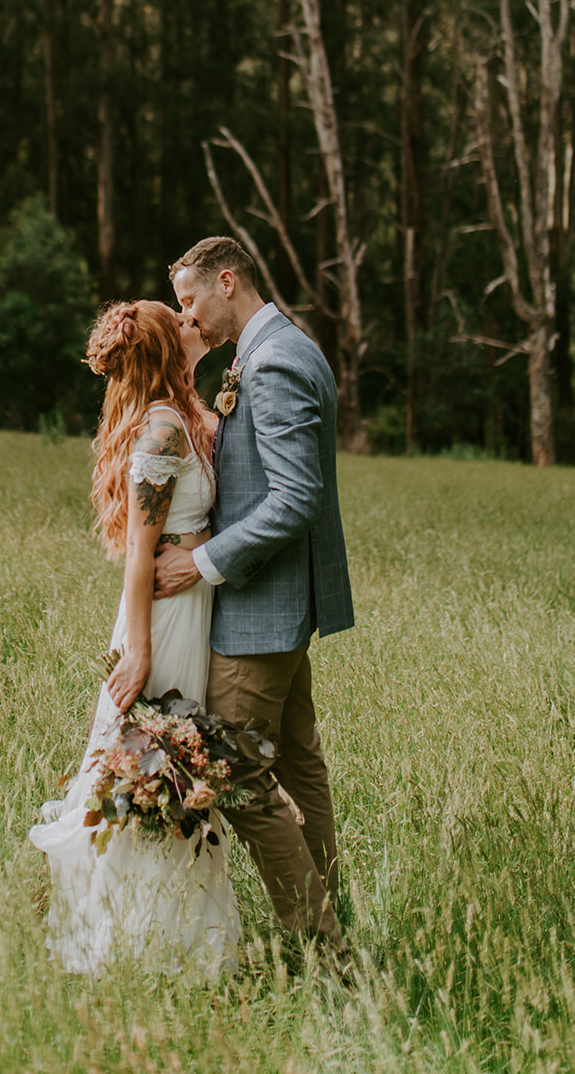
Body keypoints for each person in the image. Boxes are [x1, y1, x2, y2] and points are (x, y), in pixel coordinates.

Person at [29, 299, 241, 976]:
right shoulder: (159, 431)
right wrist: (140, 651)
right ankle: (133, 936)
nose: (192, 321)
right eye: (180, 322)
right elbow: (138, 554)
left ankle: (171, 927)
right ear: (164, 349)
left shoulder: (183, 416)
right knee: (155, 764)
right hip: (163, 620)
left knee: (178, 767)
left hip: (192, 605)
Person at [155, 236, 354, 952]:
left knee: (233, 770)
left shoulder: (271, 362)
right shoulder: (272, 348)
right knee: (298, 768)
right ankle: (333, 931)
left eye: (189, 300)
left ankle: (326, 954)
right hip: (278, 604)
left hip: (260, 608)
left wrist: (200, 563)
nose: (188, 316)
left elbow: (294, 497)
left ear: (226, 281)